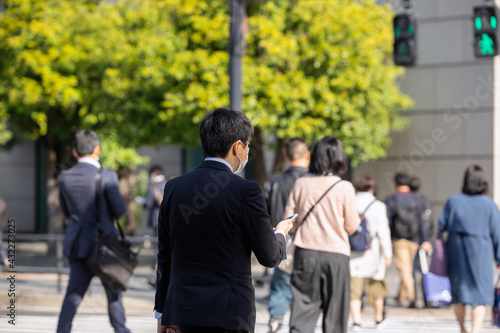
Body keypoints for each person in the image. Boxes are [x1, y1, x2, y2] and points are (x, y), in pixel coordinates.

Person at [154, 107, 293, 333]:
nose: (247, 152)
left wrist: (163, 313)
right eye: (248, 146)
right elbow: (269, 256)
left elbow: (165, 255)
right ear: (238, 146)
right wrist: (280, 232)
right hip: (230, 313)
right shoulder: (246, 191)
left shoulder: (174, 187)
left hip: (183, 312)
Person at [284, 136, 360, 333]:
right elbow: (351, 226)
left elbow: (289, 220)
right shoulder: (344, 187)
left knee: (302, 314)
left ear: (315, 156)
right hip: (336, 255)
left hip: (305, 252)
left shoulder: (301, 184)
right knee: (335, 318)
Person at [57, 130, 130, 333]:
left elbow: (66, 213)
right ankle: (121, 330)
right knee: (114, 296)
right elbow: (120, 211)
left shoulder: (65, 177)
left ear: (74, 151)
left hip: (78, 245)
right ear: (97, 149)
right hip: (106, 246)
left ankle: (62, 330)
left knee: (73, 295)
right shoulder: (107, 176)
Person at [439, 165, 500, 333]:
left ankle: (462, 328)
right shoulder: (489, 205)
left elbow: (441, 224)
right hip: (481, 251)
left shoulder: (454, 200)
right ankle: (475, 330)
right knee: (480, 294)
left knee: (459, 293)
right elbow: (497, 233)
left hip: (456, 251)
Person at [265, 138, 310, 333]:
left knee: (281, 283)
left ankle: (276, 315)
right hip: (308, 241)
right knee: (304, 285)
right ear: (307, 156)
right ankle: (300, 323)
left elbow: (265, 213)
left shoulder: (275, 182)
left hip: (282, 237)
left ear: (285, 157)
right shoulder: (312, 182)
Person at [349, 175, 392, 331]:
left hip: (353, 251)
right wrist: (388, 253)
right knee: (377, 286)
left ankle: (357, 322)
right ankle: (379, 319)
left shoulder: (350, 202)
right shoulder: (378, 205)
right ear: (372, 188)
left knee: (354, 290)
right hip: (373, 252)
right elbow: (383, 231)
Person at [385, 172, 432, 308]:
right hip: (415, 238)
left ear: (396, 184)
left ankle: (412, 297)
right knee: (407, 268)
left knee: (405, 269)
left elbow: (387, 220)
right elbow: (422, 221)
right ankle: (400, 296)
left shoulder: (392, 199)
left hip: (399, 239)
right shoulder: (417, 198)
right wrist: (425, 239)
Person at [144, 164, 167, 236]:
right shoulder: (168, 183)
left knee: (158, 242)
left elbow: (148, 204)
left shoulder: (152, 186)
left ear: (153, 174)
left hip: (157, 218)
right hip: (169, 218)